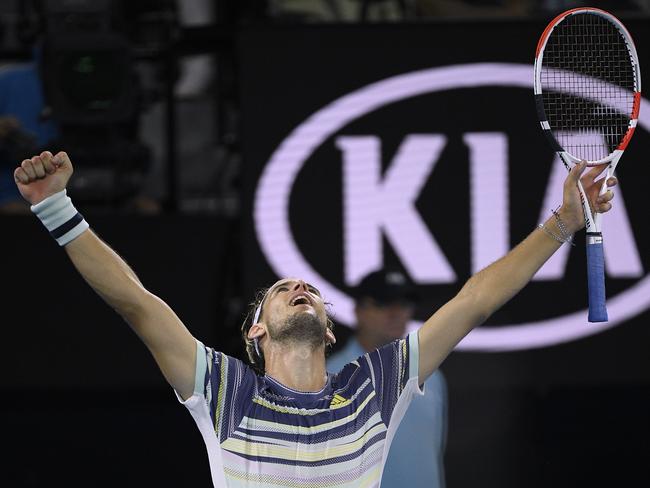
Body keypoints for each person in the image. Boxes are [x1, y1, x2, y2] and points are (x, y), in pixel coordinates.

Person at [13, 150, 617, 487]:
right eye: (284, 289)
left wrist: (561, 223)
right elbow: (136, 302)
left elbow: (473, 301)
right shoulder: (224, 391)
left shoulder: (375, 387)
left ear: (330, 330)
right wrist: (59, 210)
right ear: (256, 329)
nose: (300, 288)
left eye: (310, 290)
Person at [327, 269, 447, 488]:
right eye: (382, 303)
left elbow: (433, 452)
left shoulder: (433, 376)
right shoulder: (329, 377)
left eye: (404, 304)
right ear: (358, 310)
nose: (396, 313)